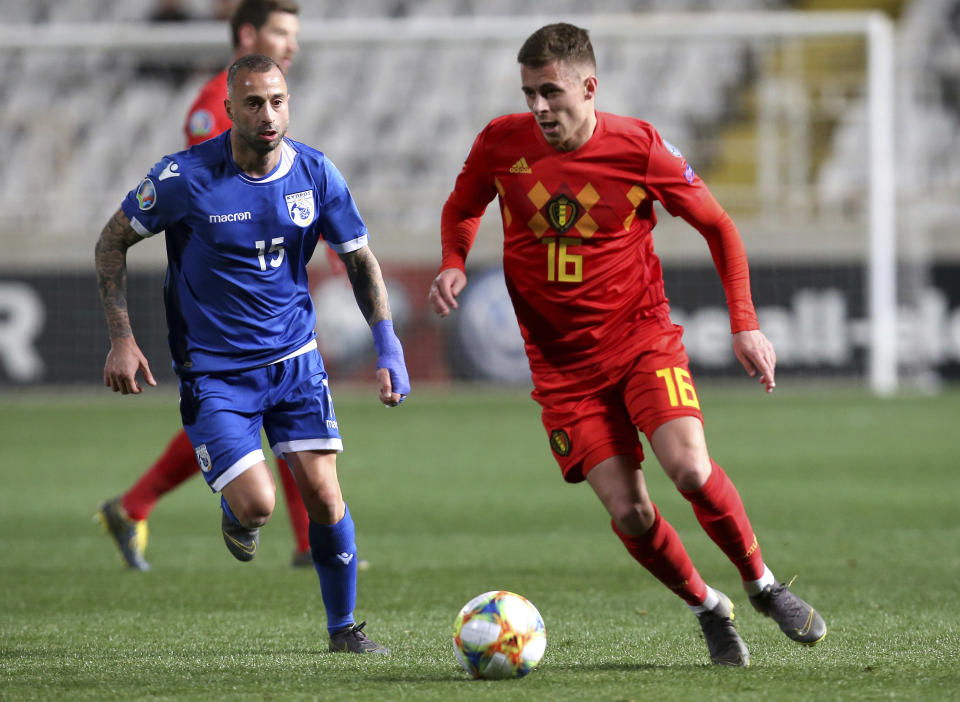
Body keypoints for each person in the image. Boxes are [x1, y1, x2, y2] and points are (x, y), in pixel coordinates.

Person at [429, 23, 826, 667]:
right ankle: (709, 609)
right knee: (630, 512)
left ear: (589, 87)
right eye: (529, 92)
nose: (538, 107)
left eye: (551, 92)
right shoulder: (501, 143)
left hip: (641, 339)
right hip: (562, 368)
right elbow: (463, 203)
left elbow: (718, 226)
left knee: (691, 470)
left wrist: (745, 322)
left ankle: (763, 585)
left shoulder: (638, 147)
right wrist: (453, 259)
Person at [95, 53, 407, 653]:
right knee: (261, 504)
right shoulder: (183, 178)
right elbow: (112, 241)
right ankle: (240, 514)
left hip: (296, 361)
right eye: (255, 103)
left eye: (278, 101)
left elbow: (360, 260)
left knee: (324, 494)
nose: (269, 114)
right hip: (216, 374)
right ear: (230, 109)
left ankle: (343, 629)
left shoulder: (315, 173)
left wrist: (387, 344)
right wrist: (122, 338)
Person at [97, 0, 324, 571]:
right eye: (280, 32)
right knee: (255, 420)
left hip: (267, 293)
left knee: (285, 413)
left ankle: (303, 542)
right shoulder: (210, 112)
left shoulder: (270, 111)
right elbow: (200, 193)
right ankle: (136, 505)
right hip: (222, 312)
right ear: (248, 34)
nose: (291, 45)